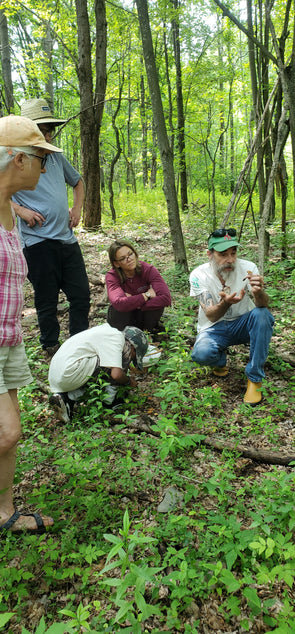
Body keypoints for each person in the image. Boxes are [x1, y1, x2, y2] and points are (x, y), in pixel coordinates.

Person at [0, 114, 62, 534]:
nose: (46, 165)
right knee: (6, 431)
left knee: (9, 435)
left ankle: (4, 514)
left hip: (9, 340)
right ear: (18, 159)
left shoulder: (9, 210)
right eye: (41, 157)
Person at [11, 98, 90, 359]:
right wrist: (20, 210)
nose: (47, 133)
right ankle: (51, 345)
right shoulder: (15, 158)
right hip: (37, 242)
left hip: (66, 239)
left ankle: (79, 341)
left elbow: (77, 182)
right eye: (42, 128)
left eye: (50, 128)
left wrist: (77, 209)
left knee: (80, 294)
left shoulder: (55, 156)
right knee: (47, 299)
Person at [189, 228, 274, 405]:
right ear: (210, 254)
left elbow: (263, 305)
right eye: (223, 254)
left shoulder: (248, 268)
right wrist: (226, 302)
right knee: (201, 354)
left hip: (243, 323)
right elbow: (211, 315)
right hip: (214, 328)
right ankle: (220, 360)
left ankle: (255, 378)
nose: (230, 259)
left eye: (233, 253)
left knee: (262, 315)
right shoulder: (199, 275)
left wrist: (259, 293)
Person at [48, 324, 148, 423]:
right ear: (133, 347)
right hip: (70, 372)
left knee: (110, 362)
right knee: (116, 364)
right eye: (134, 357)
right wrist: (128, 381)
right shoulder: (124, 344)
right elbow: (116, 375)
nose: (131, 359)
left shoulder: (107, 332)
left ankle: (67, 398)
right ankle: (109, 401)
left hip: (56, 373)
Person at [106, 239, 171, 332]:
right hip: (123, 320)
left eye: (130, 254)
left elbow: (166, 298)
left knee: (157, 306)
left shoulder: (148, 270)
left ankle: (147, 334)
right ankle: (121, 337)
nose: (129, 259)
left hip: (143, 316)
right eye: (123, 258)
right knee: (116, 309)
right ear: (116, 263)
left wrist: (133, 302)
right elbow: (119, 303)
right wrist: (146, 295)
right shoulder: (112, 276)